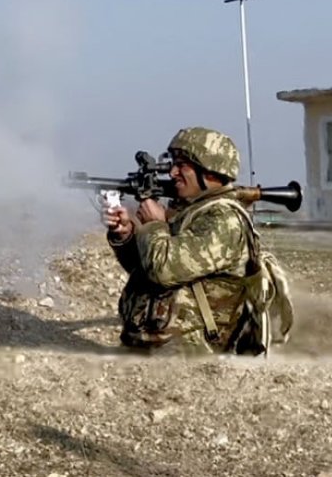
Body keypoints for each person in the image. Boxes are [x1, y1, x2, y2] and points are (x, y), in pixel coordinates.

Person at [102, 126, 291, 356]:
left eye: (182, 165)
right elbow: (145, 268)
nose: (172, 173)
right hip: (161, 347)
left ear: (209, 172)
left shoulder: (224, 220)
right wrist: (127, 234)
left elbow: (164, 270)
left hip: (195, 352)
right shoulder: (192, 213)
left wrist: (154, 224)